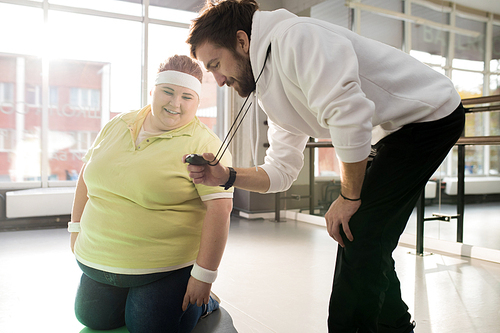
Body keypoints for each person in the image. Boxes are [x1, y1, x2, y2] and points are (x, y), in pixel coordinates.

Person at [184, 1, 465, 332]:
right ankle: (397, 327)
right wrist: (227, 176)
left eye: (215, 64)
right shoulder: (269, 85)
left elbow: (349, 115)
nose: (217, 80)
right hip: (394, 132)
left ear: (242, 42)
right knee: (363, 235)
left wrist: (349, 197)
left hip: (430, 116)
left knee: (359, 230)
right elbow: (281, 171)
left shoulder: (297, 38)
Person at [68, 55, 233, 333]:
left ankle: (203, 305)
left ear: (198, 101)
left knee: (148, 327)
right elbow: (86, 174)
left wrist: (204, 276)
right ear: (152, 91)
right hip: (99, 258)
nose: (175, 103)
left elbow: (220, 210)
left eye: (187, 97)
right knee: (92, 318)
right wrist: (75, 228)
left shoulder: (205, 144)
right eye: (167, 92)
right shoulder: (117, 125)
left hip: (165, 267)